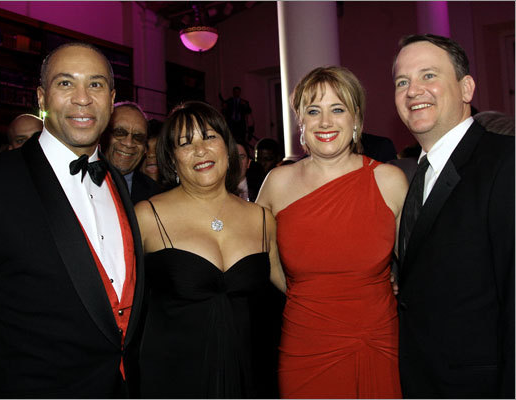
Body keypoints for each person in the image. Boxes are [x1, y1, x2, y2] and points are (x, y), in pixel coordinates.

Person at [0, 42, 145, 398]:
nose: (82, 98)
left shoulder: (117, 180)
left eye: (96, 84)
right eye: (65, 83)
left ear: (111, 99)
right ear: (41, 97)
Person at [256, 66, 408, 398]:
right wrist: (307, 297)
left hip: (377, 342)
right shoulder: (277, 183)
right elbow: (262, 260)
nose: (325, 122)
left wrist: (393, 278)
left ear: (356, 120)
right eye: (314, 111)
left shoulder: (389, 181)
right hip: (304, 344)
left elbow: (419, 266)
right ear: (301, 122)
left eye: (337, 109)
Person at [133, 100, 286, 398]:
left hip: (251, 379)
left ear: (227, 147)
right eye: (185, 143)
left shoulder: (262, 219)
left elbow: (295, 290)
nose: (200, 150)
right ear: (172, 159)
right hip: (173, 382)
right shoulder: (146, 216)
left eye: (209, 137)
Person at [393, 34, 514, 398]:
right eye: (402, 82)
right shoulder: (416, 175)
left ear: (466, 88)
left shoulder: (505, 162)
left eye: (429, 75)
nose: (413, 91)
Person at [101, 101, 163, 204]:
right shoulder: (79, 179)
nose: (129, 143)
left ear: (145, 148)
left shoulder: (156, 195)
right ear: (102, 134)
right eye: (120, 132)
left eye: (138, 137)